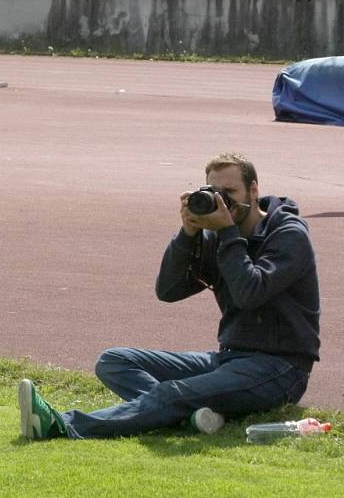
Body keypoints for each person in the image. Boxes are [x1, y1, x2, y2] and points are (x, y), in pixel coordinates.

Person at [18, 153, 321, 440]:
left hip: (280, 369)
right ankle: (190, 416)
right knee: (114, 361)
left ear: (253, 190)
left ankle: (64, 426)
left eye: (229, 192)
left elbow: (249, 293)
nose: (223, 203)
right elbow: (169, 290)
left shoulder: (288, 233)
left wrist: (227, 233)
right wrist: (187, 234)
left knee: (172, 392)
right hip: (228, 358)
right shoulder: (218, 236)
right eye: (215, 194)